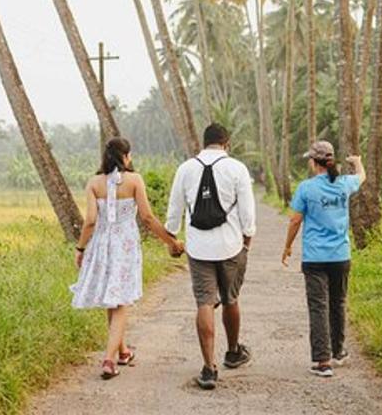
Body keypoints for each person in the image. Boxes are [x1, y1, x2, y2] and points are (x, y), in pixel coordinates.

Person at [71, 137, 184, 380]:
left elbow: (90, 221)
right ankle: (109, 360)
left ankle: (122, 351)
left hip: (101, 245)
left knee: (113, 299)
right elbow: (147, 218)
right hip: (125, 246)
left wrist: (80, 249)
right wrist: (171, 241)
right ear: (125, 156)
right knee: (121, 302)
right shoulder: (134, 180)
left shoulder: (93, 183)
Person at [164, 123, 257, 390]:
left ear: (203, 143)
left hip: (198, 247)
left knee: (204, 302)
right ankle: (233, 352)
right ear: (226, 143)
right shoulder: (237, 168)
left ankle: (209, 368)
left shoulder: (185, 169)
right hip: (231, 246)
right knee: (231, 299)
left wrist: (173, 238)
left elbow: (174, 211)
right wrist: (246, 240)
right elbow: (248, 215)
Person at [281, 140, 366, 378]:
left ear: (313, 162)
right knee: (337, 303)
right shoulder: (344, 184)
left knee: (318, 307)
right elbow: (361, 177)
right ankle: (338, 352)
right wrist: (358, 162)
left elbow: (295, 220)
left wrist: (287, 247)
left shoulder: (306, 188)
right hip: (341, 256)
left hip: (315, 258)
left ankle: (323, 361)